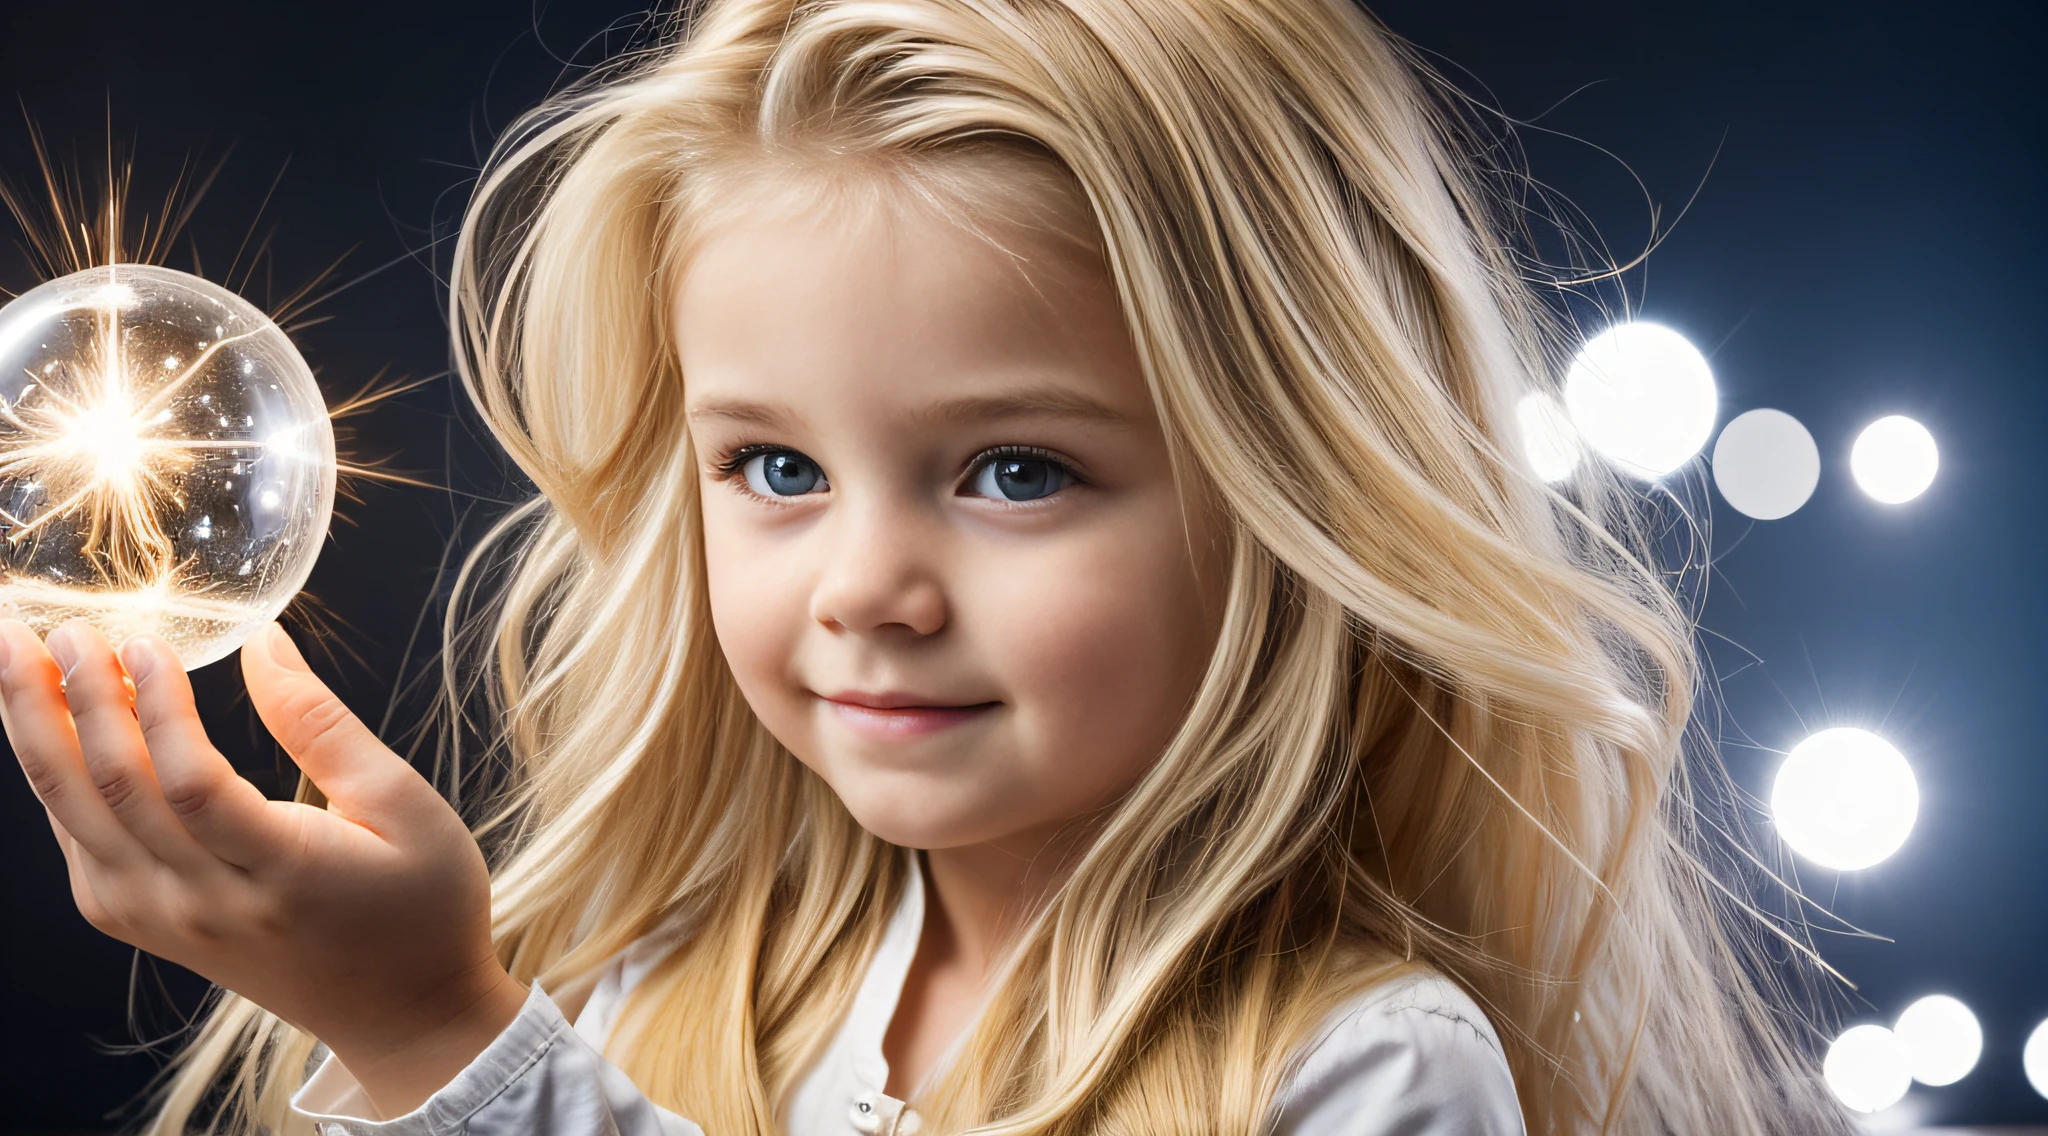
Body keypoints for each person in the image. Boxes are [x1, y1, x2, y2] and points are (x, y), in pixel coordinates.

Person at [0, 1, 1850, 1132]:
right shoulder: (666, 987)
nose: (868, 585)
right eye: (778, 467)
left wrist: (443, 1045)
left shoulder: (1357, 1076)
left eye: (1016, 471)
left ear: (1297, 500)